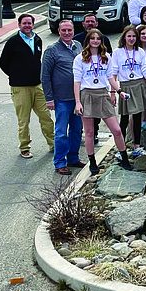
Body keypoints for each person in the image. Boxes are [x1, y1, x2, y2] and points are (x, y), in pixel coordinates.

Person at [73, 28, 132, 174]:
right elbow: (77, 82)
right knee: (89, 132)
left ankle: (124, 158)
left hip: (102, 94)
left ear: (101, 41)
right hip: (87, 95)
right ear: (88, 40)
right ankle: (92, 162)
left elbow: (110, 77)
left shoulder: (106, 57)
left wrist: (118, 91)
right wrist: (78, 102)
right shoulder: (80, 58)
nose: (95, 41)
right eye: (92, 38)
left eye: (98, 38)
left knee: (117, 130)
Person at [0, 13, 54, 158]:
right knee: (24, 120)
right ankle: (24, 147)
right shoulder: (13, 42)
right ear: (19, 25)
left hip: (38, 86)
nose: (27, 25)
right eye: (24, 23)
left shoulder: (37, 39)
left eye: (29, 23)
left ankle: (54, 143)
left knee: (46, 117)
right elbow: (3, 63)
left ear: (33, 24)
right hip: (20, 87)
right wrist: (16, 75)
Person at [110, 26, 146, 157]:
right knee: (124, 118)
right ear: (124, 37)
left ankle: (137, 146)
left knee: (138, 116)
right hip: (125, 87)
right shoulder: (117, 52)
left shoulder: (140, 52)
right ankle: (120, 149)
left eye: (133, 36)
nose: (131, 39)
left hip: (139, 85)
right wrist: (113, 92)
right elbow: (113, 73)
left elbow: (145, 71)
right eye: (129, 36)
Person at [42, 20, 84, 175]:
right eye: (64, 30)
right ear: (59, 31)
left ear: (73, 31)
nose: (67, 33)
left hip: (77, 99)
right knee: (61, 132)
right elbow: (45, 76)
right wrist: (49, 98)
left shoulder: (78, 46)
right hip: (61, 99)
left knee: (77, 130)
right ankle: (60, 162)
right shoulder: (51, 50)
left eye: (69, 30)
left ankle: (73, 158)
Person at [73, 13, 112, 144]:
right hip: (84, 84)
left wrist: (114, 90)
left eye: (92, 21)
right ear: (83, 23)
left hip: (100, 85)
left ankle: (94, 133)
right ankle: (82, 135)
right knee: (84, 114)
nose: (90, 24)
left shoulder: (104, 39)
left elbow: (109, 64)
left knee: (98, 115)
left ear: (96, 24)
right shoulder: (77, 39)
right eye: (87, 21)